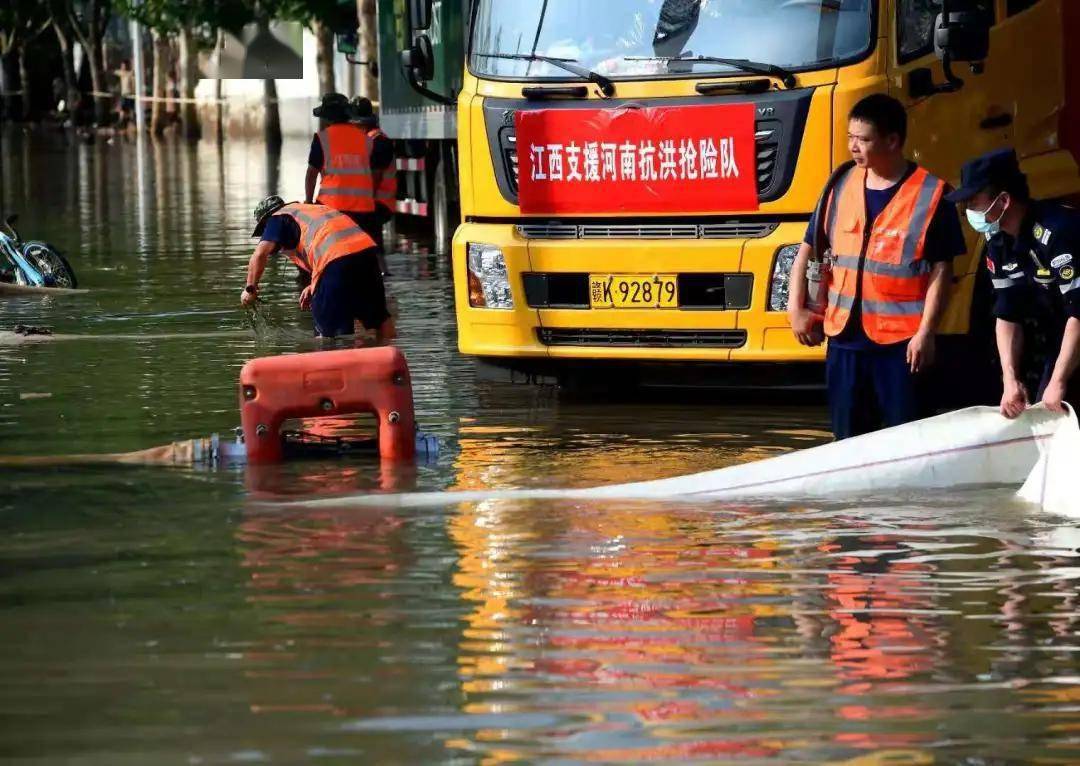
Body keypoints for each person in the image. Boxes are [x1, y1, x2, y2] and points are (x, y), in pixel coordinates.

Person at [788, 94, 967, 440]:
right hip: (844, 341)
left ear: (892, 141)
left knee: (907, 443)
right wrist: (796, 308)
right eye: (850, 138)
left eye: (863, 139)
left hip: (900, 346)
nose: (854, 147)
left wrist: (926, 333)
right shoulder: (840, 185)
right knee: (847, 445)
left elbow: (941, 273)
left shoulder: (932, 195)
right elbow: (807, 250)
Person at [948, 148, 1080, 417]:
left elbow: (1079, 311)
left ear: (1004, 200)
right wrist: (1010, 380)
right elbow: (1007, 311)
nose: (967, 211)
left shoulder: (1059, 231)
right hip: (1059, 335)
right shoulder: (998, 241)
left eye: (973, 202)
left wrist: (1058, 380)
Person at [242, 195, 396, 340]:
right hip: (366, 253)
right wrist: (314, 285)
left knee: (328, 336)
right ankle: (392, 360)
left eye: (263, 232)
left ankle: (334, 362)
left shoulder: (276, 218)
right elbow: (328, 240)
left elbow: (260, 254)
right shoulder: (311, 210)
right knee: (380, 319)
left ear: (265, 222)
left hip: (335, 259)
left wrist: (250, 288)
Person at [305, 93, 395, 275]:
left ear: (326, 117)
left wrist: (308, 202)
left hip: (332, 210)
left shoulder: (322, 139)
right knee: (371, 259)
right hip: (364, 209)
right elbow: (373, 175)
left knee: (328, 256)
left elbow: (311, 174)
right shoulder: (368, 141)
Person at [115, 60, 135, 127]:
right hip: (125, 94)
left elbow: (132, 73)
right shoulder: (122, 73)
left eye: (125, 65)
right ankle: (121, 121)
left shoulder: (131, 73)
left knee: (131, 108)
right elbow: (114, 72)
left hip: (131, 94)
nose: (123, 67)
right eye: (122, 66)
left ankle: (132, 121)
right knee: (122, 108)